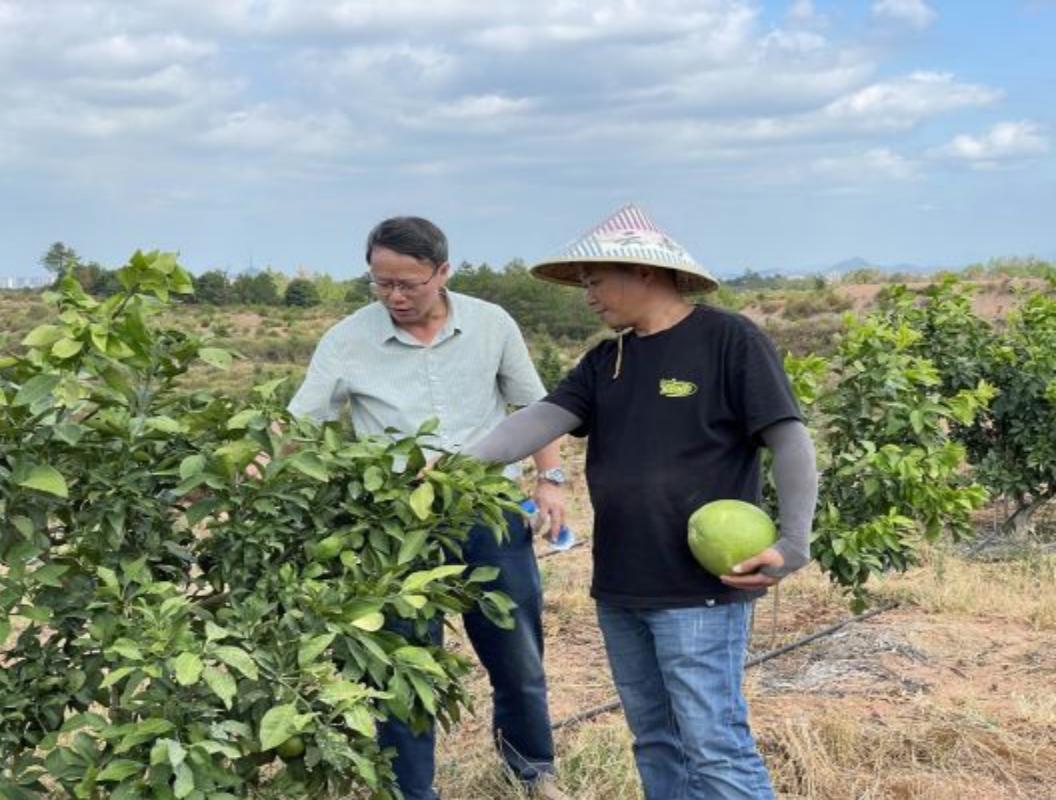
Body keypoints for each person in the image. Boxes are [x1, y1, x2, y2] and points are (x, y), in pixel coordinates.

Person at [463, 204, 818, 800]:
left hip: (699, 589)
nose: (588, 295)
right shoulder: (609, 359)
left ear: (645, 272)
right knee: (655, 740)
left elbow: (789, 438)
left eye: (596, 279)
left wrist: (794, 543)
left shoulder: (727, 339)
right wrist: (453, 465)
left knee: (714, 743)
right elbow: (541, 420)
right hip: (624, 585)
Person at [287, 216, 571, 800]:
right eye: (381, 283)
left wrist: (552, 478)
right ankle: (411, 791)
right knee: (405, 665)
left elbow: (533, 408)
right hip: (396, 523)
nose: (395, 297)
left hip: (488, 510)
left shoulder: (492, 324)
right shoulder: (347, 339)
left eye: (409, 284)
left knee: (515, 650)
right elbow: (298, 427)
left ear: (442, 272)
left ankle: (533, 772)